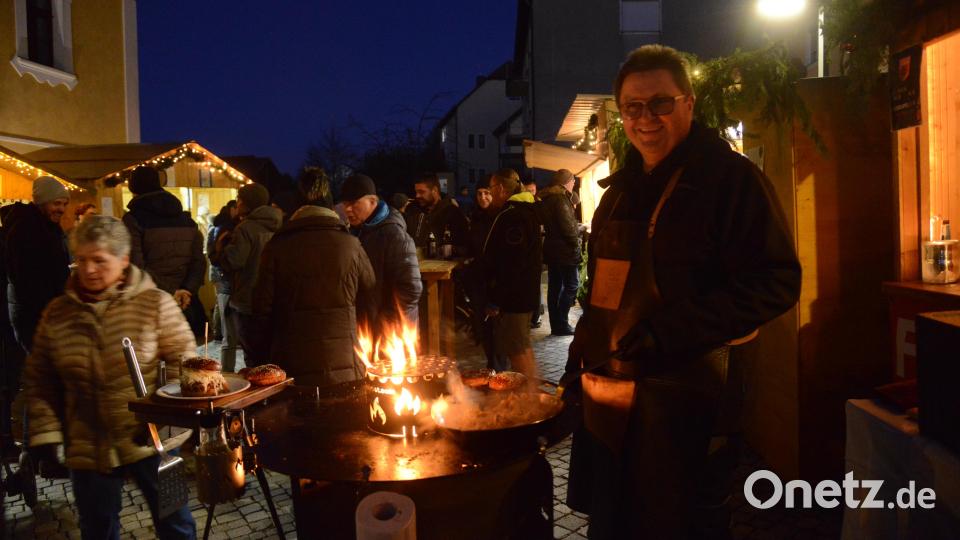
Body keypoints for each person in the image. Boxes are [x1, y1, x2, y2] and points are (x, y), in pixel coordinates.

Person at [564, 45, 802, 539]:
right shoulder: (618, 193)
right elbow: (601, 298)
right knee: (611, 524)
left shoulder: (731, 181)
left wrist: (669, 332)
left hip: (691, 405)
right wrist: (577, 361)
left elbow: (777, 281)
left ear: (688, 103)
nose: (645, 118)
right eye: (633, 107)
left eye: (660, 103)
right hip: (609, 402)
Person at [24, 216, 197, 539]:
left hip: (153, 440)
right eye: (81, 260)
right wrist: (48, 433)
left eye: (99, 260)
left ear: (124, 260)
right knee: (97, 529)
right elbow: (41, 378)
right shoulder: (58, 313)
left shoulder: (155, 303)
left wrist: (169, 424)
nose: (88, 269)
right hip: (89, 443)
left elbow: (184, 364)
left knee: (176, 524)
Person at [254, 169, 376, 387]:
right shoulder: (350, 245)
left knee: (298, 420)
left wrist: (261, 358)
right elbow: (369, 295)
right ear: (330, 208)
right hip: (346, 363)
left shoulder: (277, 247)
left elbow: (261, 310)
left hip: (292, 366)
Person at [122, 167, 206, 339]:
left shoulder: (133, 220)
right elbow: (198, 262)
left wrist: (172, 292)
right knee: (184, 358)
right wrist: (187, 290)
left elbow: (136, 266)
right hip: (186, 303)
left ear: (133, 187)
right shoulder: (187, 220)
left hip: (149, 302)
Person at [340, 174, 422, 335]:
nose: (347, 209)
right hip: (368, 331)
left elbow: (410, 288)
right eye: (345, 203)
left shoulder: (394, 235)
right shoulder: (354, 234)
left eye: (353, 203)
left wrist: (384, 323)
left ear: (372, 201)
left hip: (393, 334)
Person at [480, 172, 542, 376]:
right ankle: (531, 394)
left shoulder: (513, 216)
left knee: (516, 348)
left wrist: (496, 298)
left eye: (490, 189)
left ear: (500, 189)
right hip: (522, 293)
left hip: (516, 296)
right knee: (522, 345)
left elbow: (511, 263)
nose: (489, 194)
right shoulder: (523, 211)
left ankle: (532, 397)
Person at [213, 184, 282, 366]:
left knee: (252, 356)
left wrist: (221, 248)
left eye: (239, 199)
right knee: (270, 353)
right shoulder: (280, 225)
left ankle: (258, 392)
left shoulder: (246, 228)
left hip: (248, 300)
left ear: (246, 202)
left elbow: (234, 261)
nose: (237, 202)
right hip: (273, 298)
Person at [4, 176, 71, 353]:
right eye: (57, 203)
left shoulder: (49, 226)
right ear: (42, 202)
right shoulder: (25, 229)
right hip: (33, 313)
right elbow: (27, 279)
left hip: (47, 310)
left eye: (64, 204)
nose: (62, 209)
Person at [538, 169, 581, 335]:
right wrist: (575, 242)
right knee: (572, 285)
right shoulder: (561, 199)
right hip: (564, 250)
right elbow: (568, 228)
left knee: (555, 286)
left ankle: (556, 325)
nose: (574, 183)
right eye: (572, 180)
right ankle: (561, 323)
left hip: (552, 248)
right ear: (565, 182)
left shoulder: (548, 198)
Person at [403, 173, 469, 255]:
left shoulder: (452, 213)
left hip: (443, 265)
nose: (417, 196)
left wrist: (449, 250)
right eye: (416, 192)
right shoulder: (412, 210)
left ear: (434, 190)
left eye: (421, 192)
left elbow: (465, 247)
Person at [207, 201, 239, 371]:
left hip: (223, 279)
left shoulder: (221, 227)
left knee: (228, 330)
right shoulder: (226, 229)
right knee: (224, 314)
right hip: (226, 279)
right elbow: (216, 257)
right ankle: (217, 332)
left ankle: (227, 371)